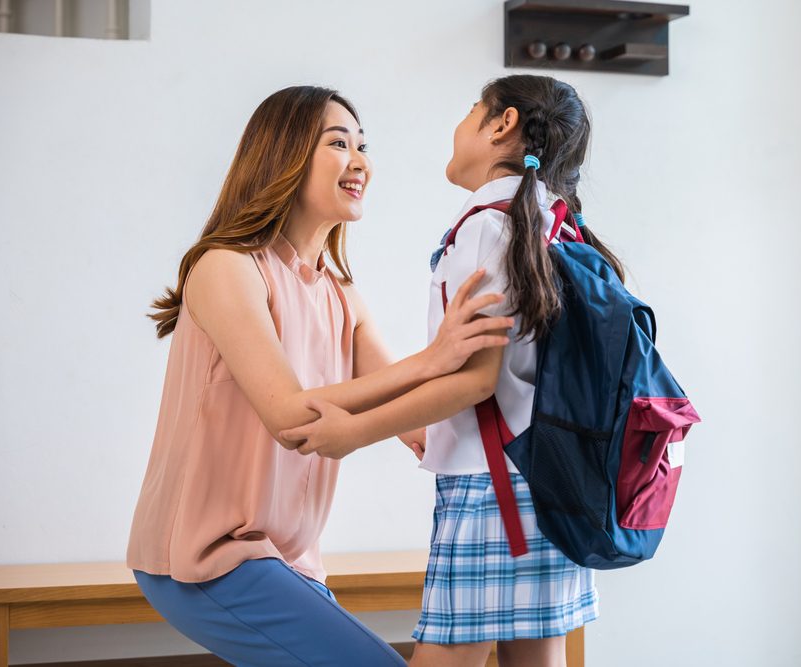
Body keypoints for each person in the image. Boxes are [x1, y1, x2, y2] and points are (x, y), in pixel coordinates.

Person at [125, 85, 513, 667]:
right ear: (284, 155)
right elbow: (289, 416)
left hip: (288, 563)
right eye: (338, 143)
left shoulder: (340, 294)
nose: (360, 162)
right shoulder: (226, 267)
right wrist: (434, 358)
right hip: (206, 558)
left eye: (363, 146)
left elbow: (416, 418)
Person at [283, 74, 627, 667]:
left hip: (493, 489)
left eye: (473, 110)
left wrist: (353, 432)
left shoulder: (487, 226)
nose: (461, 123)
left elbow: (473, 380)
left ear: (502, 124)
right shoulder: (550, 221)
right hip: (550, 481)